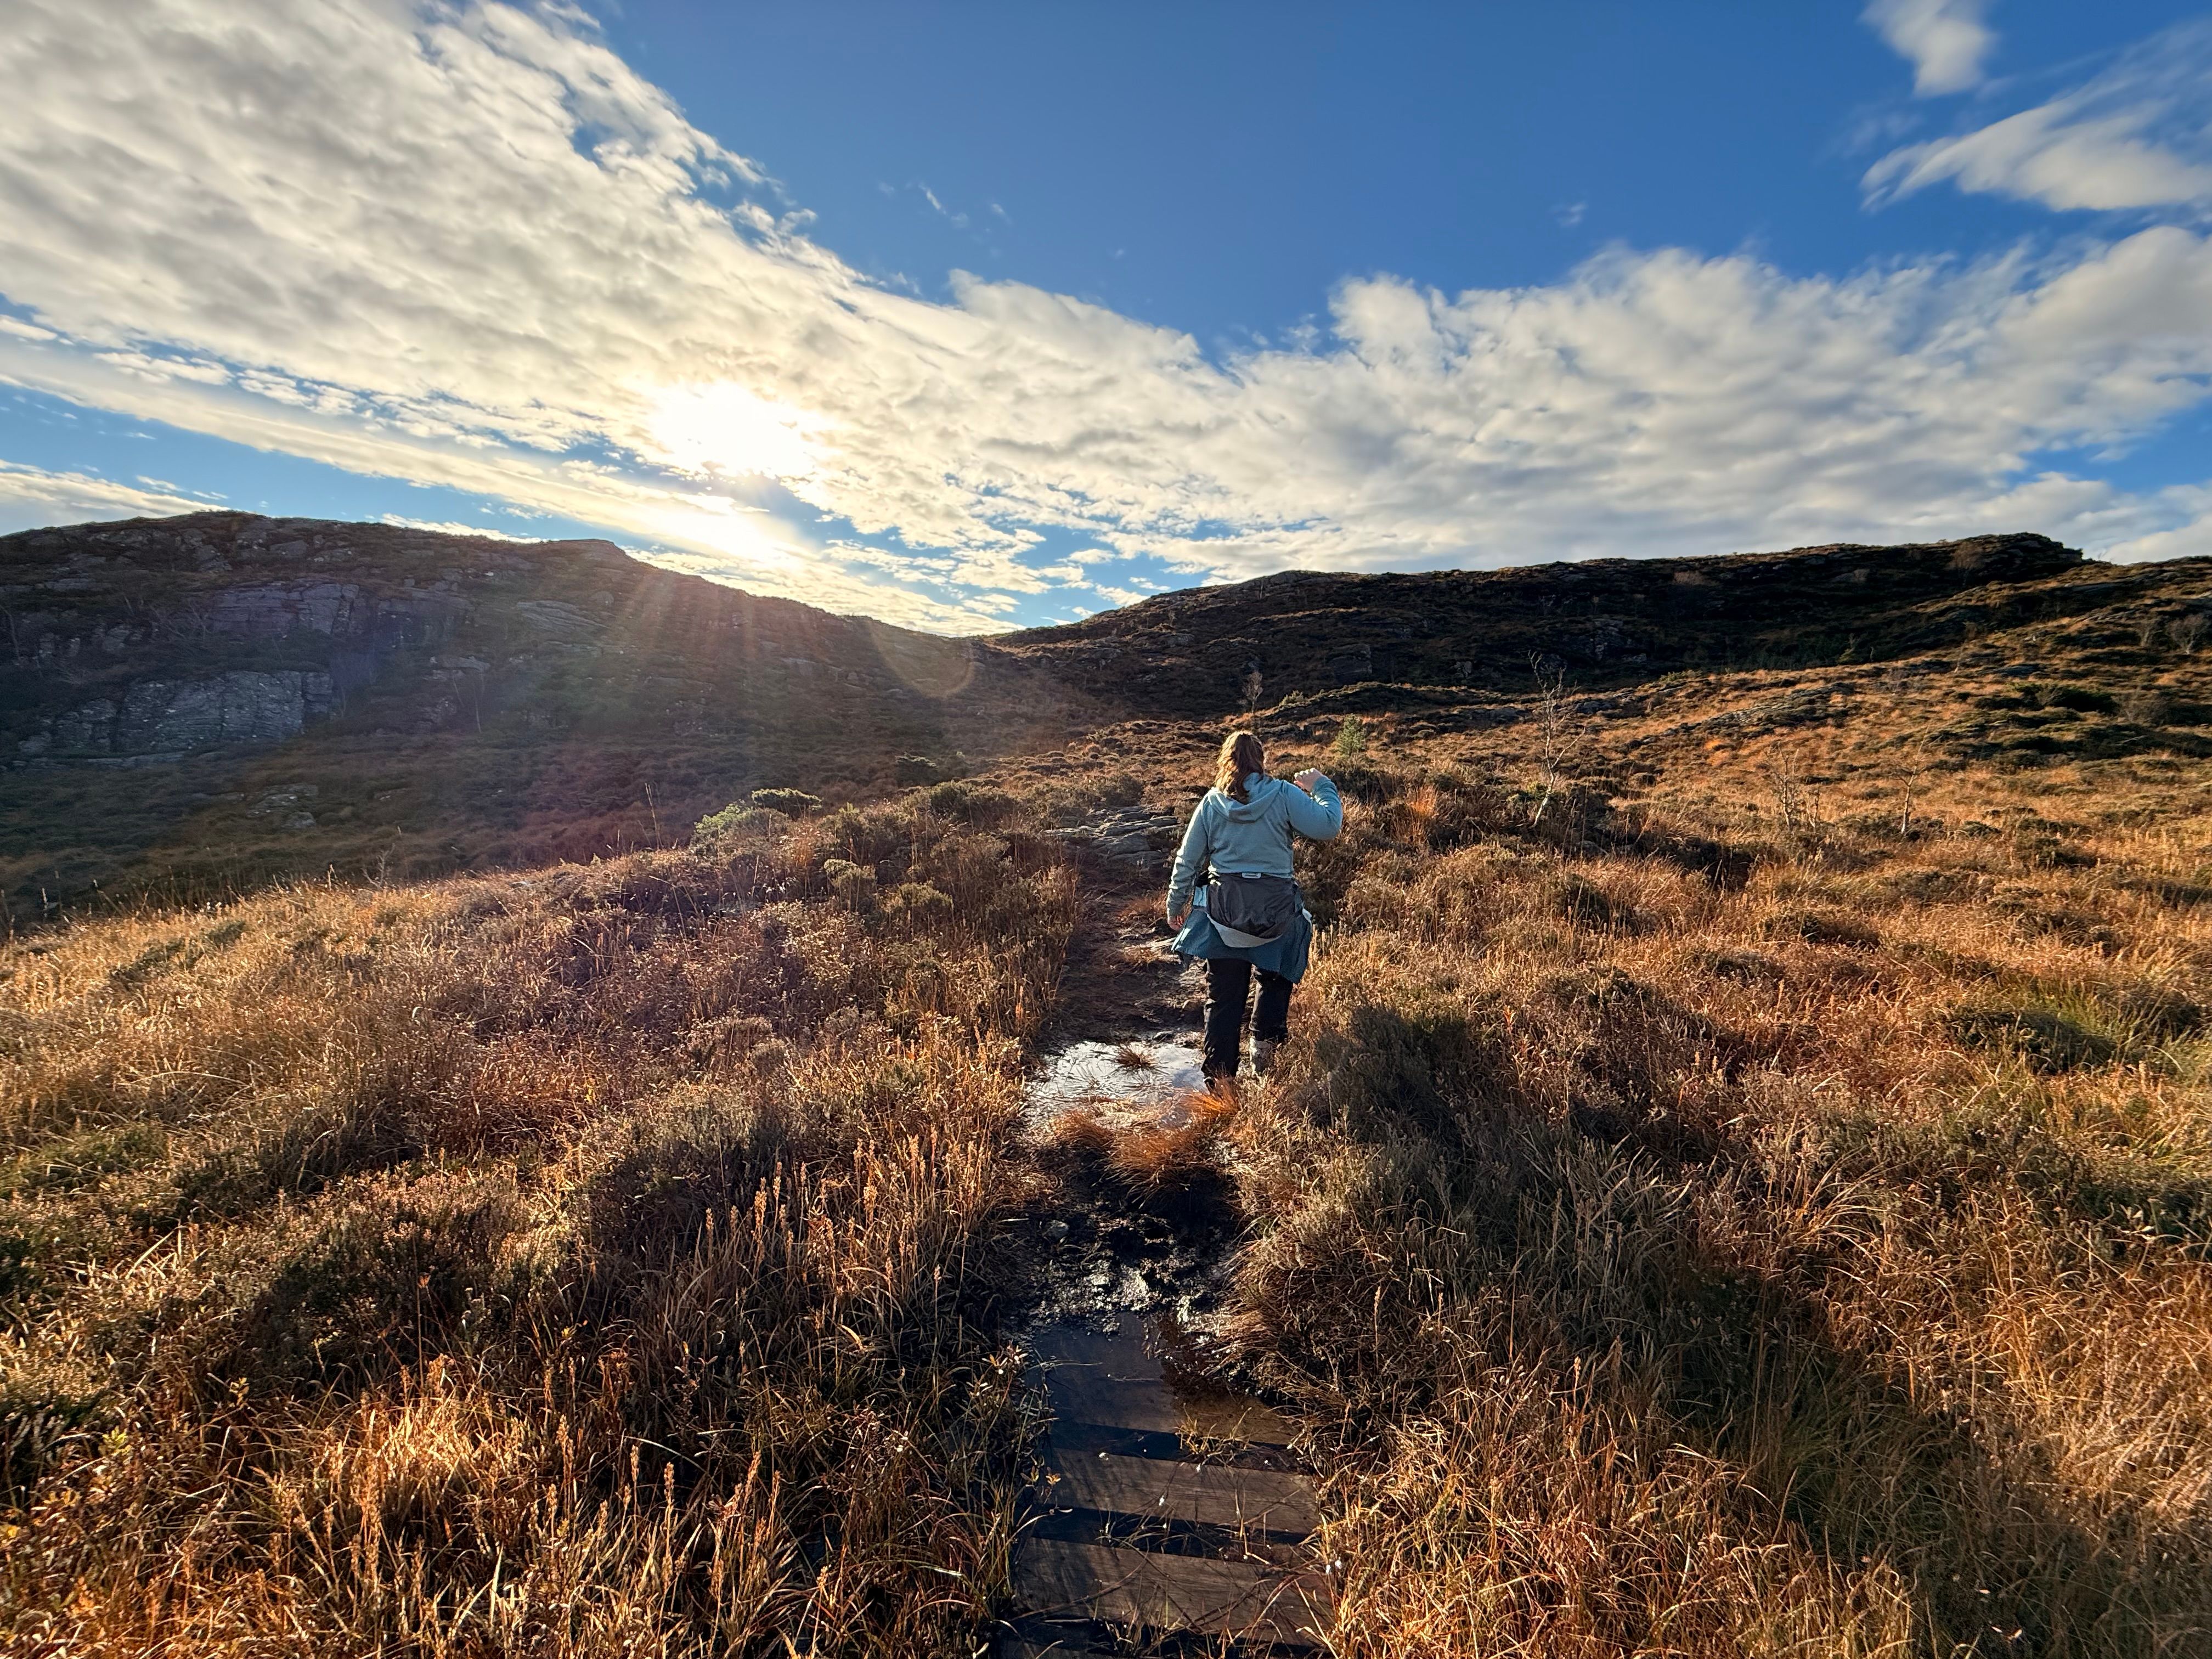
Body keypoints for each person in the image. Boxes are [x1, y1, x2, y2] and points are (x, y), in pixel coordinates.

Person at [1166, 730, 1344, 1084]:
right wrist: (1322, 785)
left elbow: (1187, 860)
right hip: (1276, 908)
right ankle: (1265, 1055)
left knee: (1224, 996)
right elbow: (1328, 826)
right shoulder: (1283, 793)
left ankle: (1220, 1082)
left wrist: (1176, 903)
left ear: (1226, 761)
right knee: (1275, 978)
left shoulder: (1212, 802)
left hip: (1222, 912)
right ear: (1260, 759)